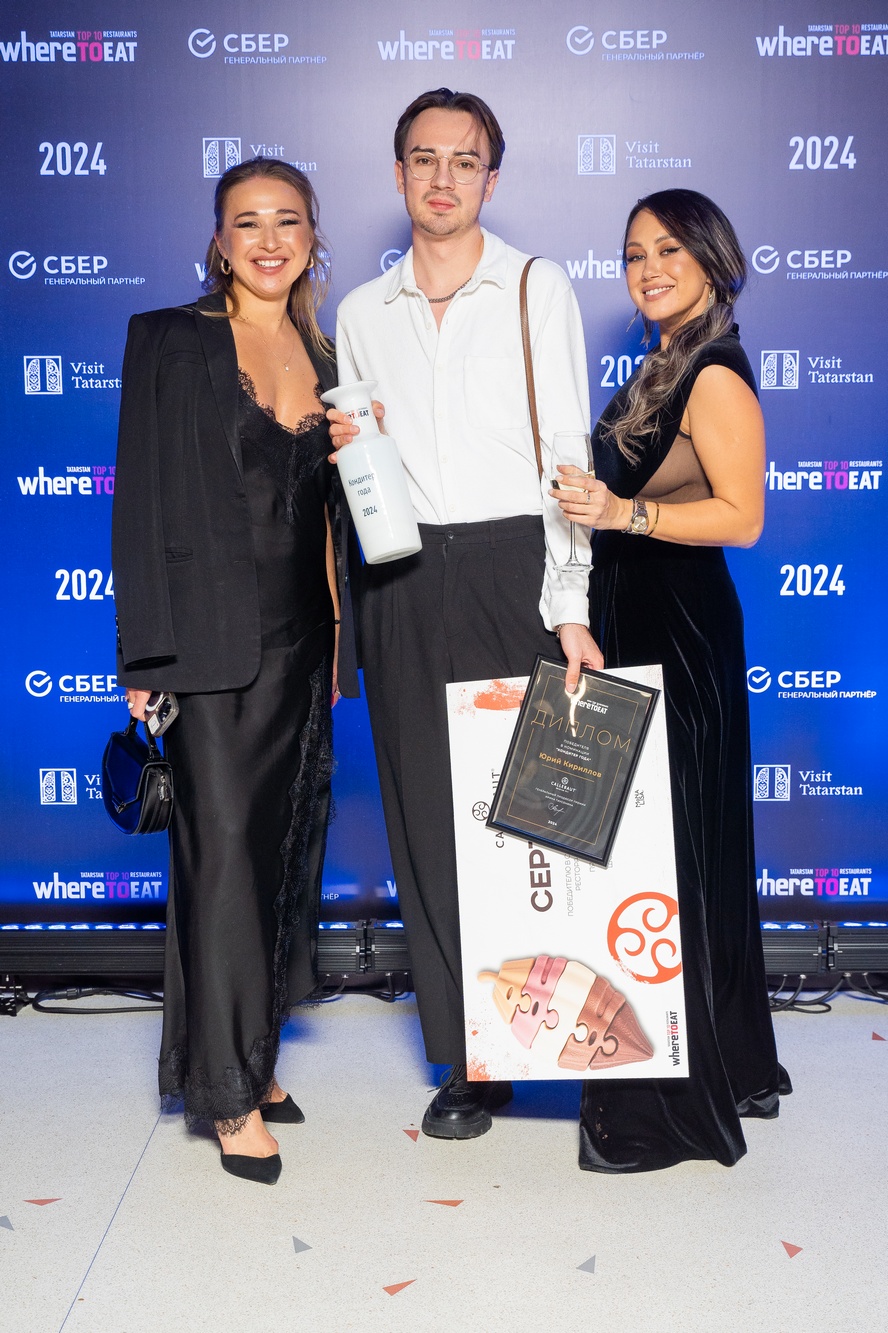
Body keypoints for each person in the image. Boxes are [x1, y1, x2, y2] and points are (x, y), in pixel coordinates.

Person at [327, 88, 600, 1140]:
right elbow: (362, 464)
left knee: (536, 814)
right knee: (428, 819)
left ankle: (574, 1036)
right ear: (398, 173)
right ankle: (474, 1057)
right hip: (401, 573)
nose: (443, 178)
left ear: (492, 176)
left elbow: (566, 453)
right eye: (424, 159)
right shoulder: (361, 311)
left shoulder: (536, 287)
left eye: (465, 160)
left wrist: (569, 602)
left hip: (509, 560)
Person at [112, 157, 353, 1185]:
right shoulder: (169, 338)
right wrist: (143, 655)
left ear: (311, 237)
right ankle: (225, 1092)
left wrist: (340, 637)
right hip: (206, 651)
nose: (267, 240)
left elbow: (333, 513)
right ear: (218, 240)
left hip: (304, 642)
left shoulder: (328, 352)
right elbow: (139, 504)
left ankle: (255, 1052)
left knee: (286, 848)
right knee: (220, 863)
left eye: (286, 221)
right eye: (246, 222)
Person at [552, 188, 790, 1172]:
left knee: (668, 855)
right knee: (673, 848)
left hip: (679, 627)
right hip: (639, 615)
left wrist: (624, 515)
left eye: (669, 251)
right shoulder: (665, 362)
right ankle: (727, 1058)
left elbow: (744, 517)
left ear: (713, 260)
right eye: (633, 253)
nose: (648, 269)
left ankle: (666, 1107)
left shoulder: (714, 371)